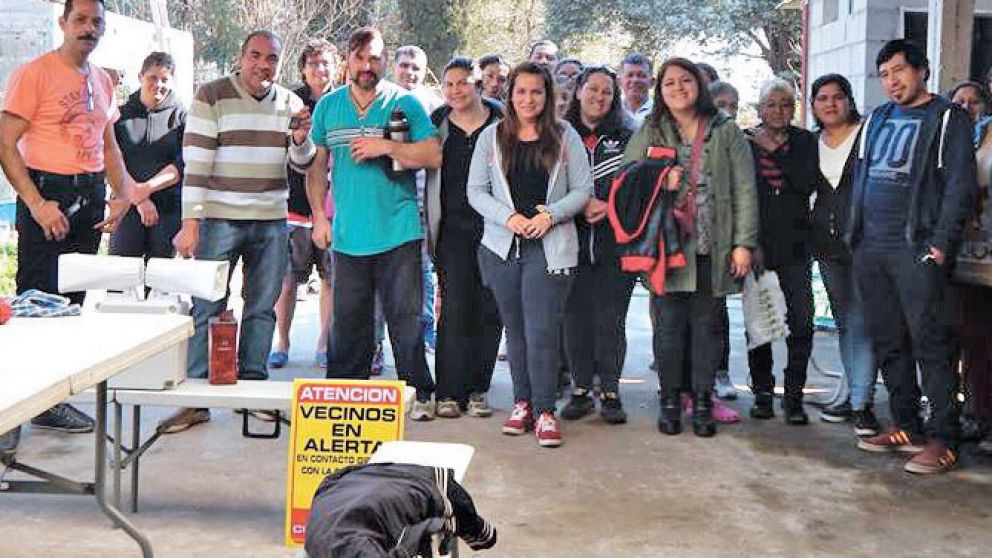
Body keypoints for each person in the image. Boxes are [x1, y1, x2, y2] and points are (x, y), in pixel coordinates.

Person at [159, 30, 316, 434]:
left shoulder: (291, 102)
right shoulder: (211, 95)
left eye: (271, 59)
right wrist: (190, 223)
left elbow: (302, 161)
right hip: (218, 218)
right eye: (255, 56)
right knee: (206, 306)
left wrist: (300, 137)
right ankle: (195, 398)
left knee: (262, 306)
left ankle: (253, 391)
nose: (263, 65)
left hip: (271, 218)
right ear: (241, 56)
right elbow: (196, 164)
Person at [0, 0, 135, 451]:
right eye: (80, 20)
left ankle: (50, 400)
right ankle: (13, 410)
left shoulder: (101, 80)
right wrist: (36, 203)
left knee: (70, 303)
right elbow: (5, 142)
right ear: (63, 23)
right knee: (35, 303)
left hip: (89, 194)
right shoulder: (35, 73)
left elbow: (110, 146)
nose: (89, 29)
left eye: (97, 22)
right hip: (47, 191)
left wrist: (122, 195)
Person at [848, 39, 976, 474]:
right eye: (884, 74)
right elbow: (859, 176)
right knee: (889, 340)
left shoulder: (947, 118)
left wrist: (941, 243)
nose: (891, 80)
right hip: (872, 247)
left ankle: (944, 438)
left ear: (921, 70)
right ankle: (906, 424)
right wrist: (855, 235)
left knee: (931, 343)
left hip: (916, 249)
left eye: (899, 70)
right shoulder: (878, 118)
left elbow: (960, 185)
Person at [308, 27, 440, 420]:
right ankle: (344, 397)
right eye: (361, 58)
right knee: (349, 324)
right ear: (348, 60)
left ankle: (419, 393)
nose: (368, 66)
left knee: (407, 320)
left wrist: (387, 146)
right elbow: (316, 167)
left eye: (375, 58)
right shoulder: (329, 107)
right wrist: (318, 216)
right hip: (348, 234)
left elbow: (433, 154)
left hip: (399, 230)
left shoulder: (405, 103)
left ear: (385, 61)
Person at [623, 58, 757, 438]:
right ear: (659, 90)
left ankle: (701, 401)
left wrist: (743, 243)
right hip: (666, 247)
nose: (678, 88)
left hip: (712, 248)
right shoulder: (652, 127)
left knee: (707, 329)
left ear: (699, 85)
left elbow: (745, 189)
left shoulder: (726, 130)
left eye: (685, 81)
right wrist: (660, 178)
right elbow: (628, 178)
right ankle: (669, 401)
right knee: (667, 329)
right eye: (669, 83)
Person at [467, 61, 593, 447]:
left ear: (547, 95)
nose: (528, 98)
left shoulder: (565, 134)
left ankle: (544, 411)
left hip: (550, 247)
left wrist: (551, 215)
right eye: (520, 91)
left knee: (541, 330)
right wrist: (508, 218)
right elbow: (476, 191)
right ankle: (521, 403)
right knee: (516, 330)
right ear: (510, 95)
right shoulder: (492, 137)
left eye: (536, 91)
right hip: (502, 246)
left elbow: (582, 189)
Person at [426, 57, 504, 419]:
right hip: (452, 229)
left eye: (464, 82)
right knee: (455, 307)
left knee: (490, 309)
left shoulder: (503, 120)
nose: (456, 90)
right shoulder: (437, 123)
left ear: (479, 84)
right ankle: (448, 391)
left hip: (497, 229)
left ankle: (478, 389)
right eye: (450, 83)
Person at [560, 66, 636, 424]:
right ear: (578, 91)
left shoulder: (628, 135)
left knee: (610, 318)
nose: (599, 97)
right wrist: (579, 205)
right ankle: (579, 389)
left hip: (613, 243)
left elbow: (639, 187)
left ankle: (609, 390)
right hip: (568, 240)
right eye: (592, 89)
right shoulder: (558, 133)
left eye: (607, 91)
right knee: (574, 318)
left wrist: (611, 206)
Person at [808, 73, 879, 436]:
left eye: (838, 97)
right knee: (845, 322)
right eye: (822, 98)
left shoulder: (869, 134)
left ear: (849, 100)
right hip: (827, 244)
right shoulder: (811, 142)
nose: (831, 104)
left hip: (867, 242)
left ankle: (862, 404)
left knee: (865, 321)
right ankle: (851, 394)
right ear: (814, 105)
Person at [745, 78, 818, 425]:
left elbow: (805, 183)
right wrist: (747, 242)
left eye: (785, 104)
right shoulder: (745, 141)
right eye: (771, 104)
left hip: (797, 245)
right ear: (760, 109)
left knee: (802, 321)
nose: (778, 111)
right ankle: (762, 393)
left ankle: (794, 396)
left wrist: (773, 150)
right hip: (758, 244)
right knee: (759, 323)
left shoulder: (805, 141)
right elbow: (742, 194)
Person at [268, 39, 339, 370]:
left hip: (335, 207)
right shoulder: (290, 101)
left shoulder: (344, 100)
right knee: (287, 279)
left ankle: (324, 342)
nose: (319, 69)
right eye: (312, 63)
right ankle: (282, 341)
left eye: (325, 63)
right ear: (302, 67)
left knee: (330, 279)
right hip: (294, 203)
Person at [109, 51, 185, 264]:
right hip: (126, 208)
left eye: (164, 79)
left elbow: (181, 165)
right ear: (141, 77)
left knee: (160, 281)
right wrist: (139, 198)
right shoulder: (120, 116)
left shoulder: (182, 118)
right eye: (152, 77)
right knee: (120, 278)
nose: (158, 84)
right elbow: (112, 160)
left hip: (168, 210)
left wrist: (146, 189)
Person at [393, 44, 442, 355]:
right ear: (394, 67)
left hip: (422, 199)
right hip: (385, 202)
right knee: (382, 272)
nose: (409, 72)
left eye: (416, 67)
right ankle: (376, 344)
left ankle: (426, 330)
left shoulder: (435, 106)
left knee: (422, 270)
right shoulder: (380, 101)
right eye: (405, 65)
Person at [707, 79, 741, 401]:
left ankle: (721, 372)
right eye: (721, 105)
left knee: (718, 312)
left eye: (734, 106)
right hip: (695, 241)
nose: (728, 112)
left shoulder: (739, 140)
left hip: (726, 241)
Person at [619, 53, 654, 126]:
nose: (635, 80)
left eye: (641, 75)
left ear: (652, 82)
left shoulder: (661, 113)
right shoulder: (610, 111)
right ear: (619, 82)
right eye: (629, 75)